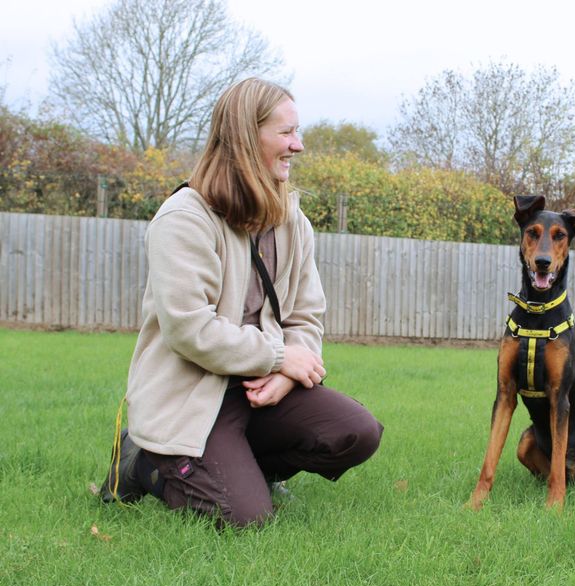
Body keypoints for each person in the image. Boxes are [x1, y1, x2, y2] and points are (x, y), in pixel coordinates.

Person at [100, 78, 383, 527]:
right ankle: (142, 461)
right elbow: (189, 329)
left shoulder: (292, 220)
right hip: (194, 396)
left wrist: (288, 374)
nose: (299, 145)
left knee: (356, 433)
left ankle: (247, 466)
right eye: (287, 133)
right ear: (246, 138)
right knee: (246, 517)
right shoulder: (184, 219)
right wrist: (276, 355)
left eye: (298, 131)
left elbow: (306, 314)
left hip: (259, 390)